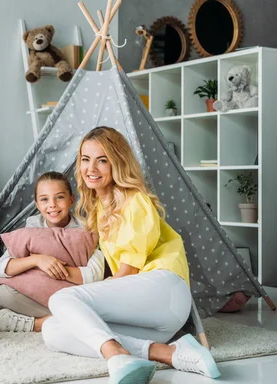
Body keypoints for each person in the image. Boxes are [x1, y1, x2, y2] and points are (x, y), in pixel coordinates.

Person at [41, 126, 220, 383]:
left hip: (164, 289)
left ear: (118, 163)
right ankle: (168, 352)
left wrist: (80, 304)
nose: (91, 168)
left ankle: (115, 355)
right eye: (85, 159)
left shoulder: (135, 201)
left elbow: (128, 273)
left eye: (102, 160)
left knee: (61, 300)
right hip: (155, 321)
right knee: (53, 330)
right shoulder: (99, 209)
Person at [0, 171, 105, 332]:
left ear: (71, 199)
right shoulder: (31, 230)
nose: (52, 204)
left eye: (59, 197)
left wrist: (57, 269)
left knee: (95, 303)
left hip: (73, 294)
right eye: (44, 199)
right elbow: (0, 269)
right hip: (40, 293)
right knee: (4, 293)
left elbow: (95, 275)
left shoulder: (86, 230)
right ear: (37, 205)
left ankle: (39, 324)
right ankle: (75, 319)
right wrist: (38, 260)